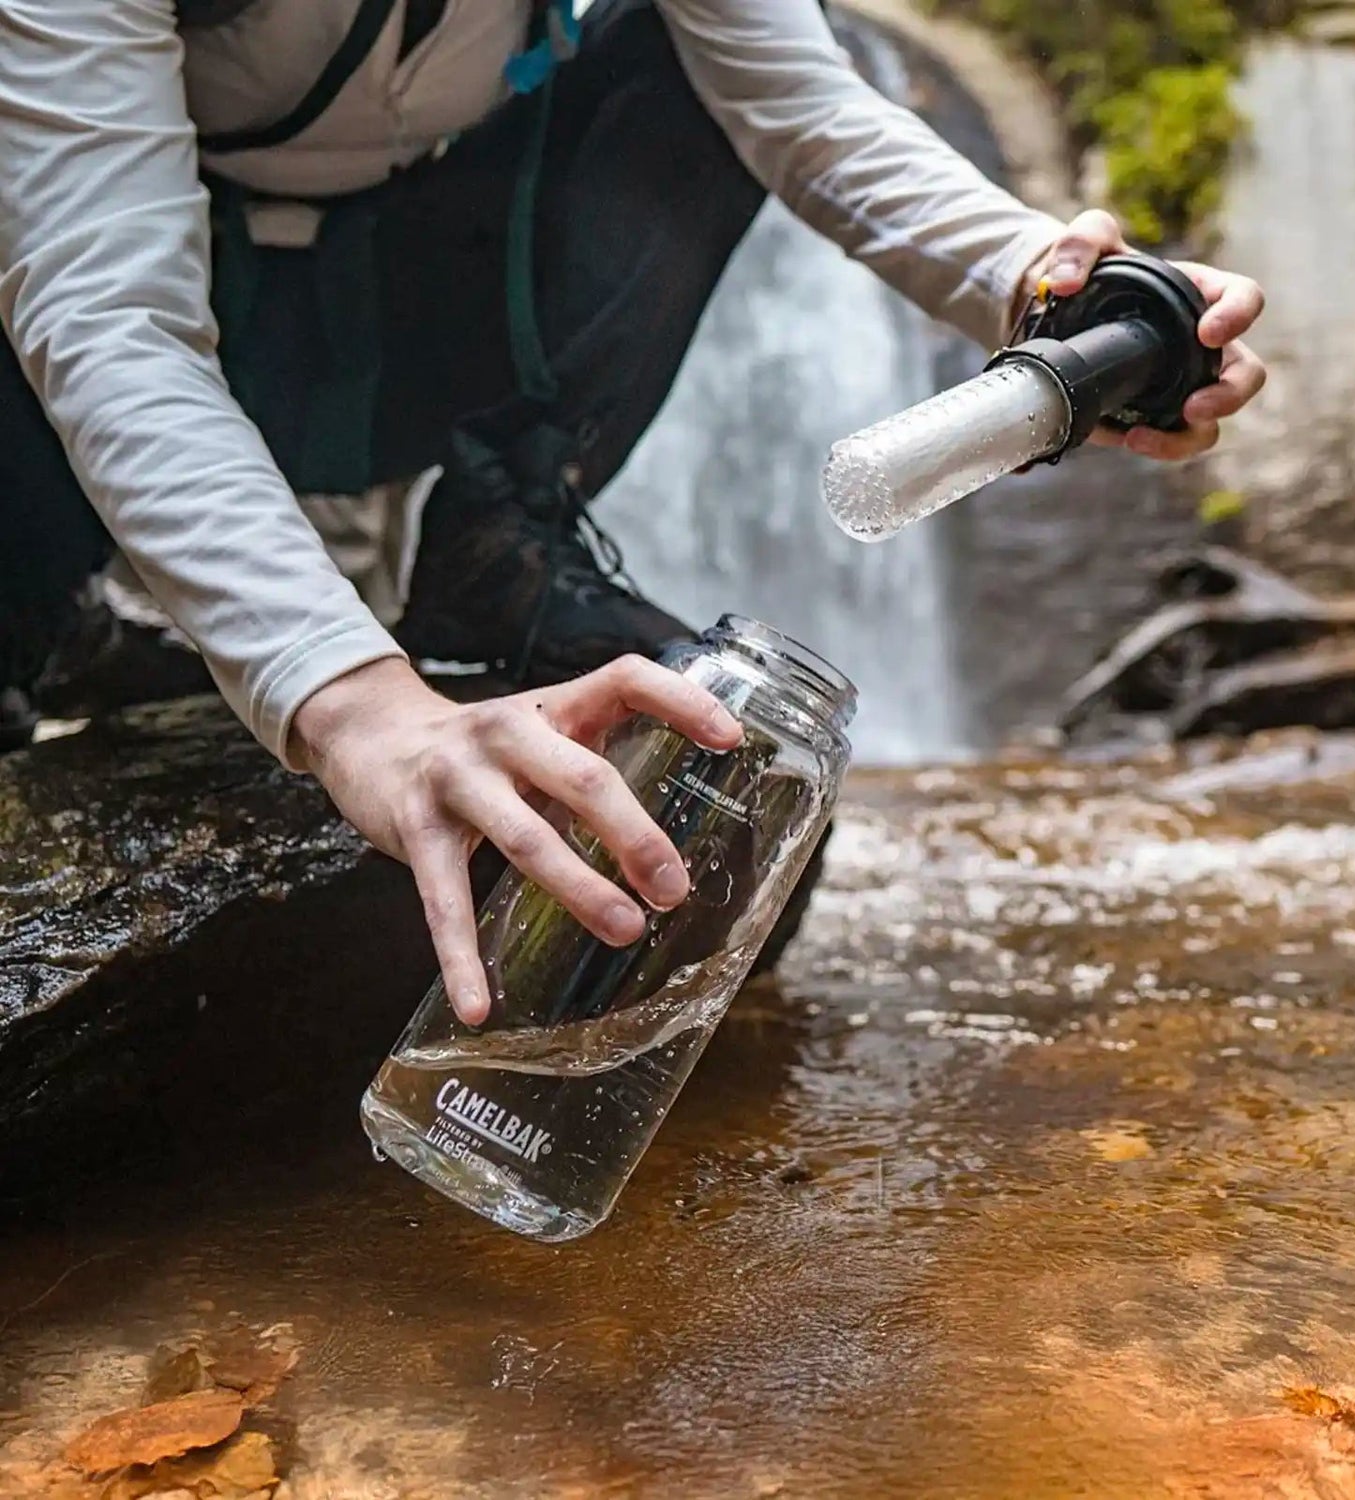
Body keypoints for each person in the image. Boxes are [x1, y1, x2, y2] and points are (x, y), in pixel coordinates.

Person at [0, 0, 1265, 1021]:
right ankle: (34, 616)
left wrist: (1055, 299)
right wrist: (358, 710)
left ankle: (501, 525)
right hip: (112, 312)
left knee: (683, 65)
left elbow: (806, 113)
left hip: (415, 299)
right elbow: (105, 315)